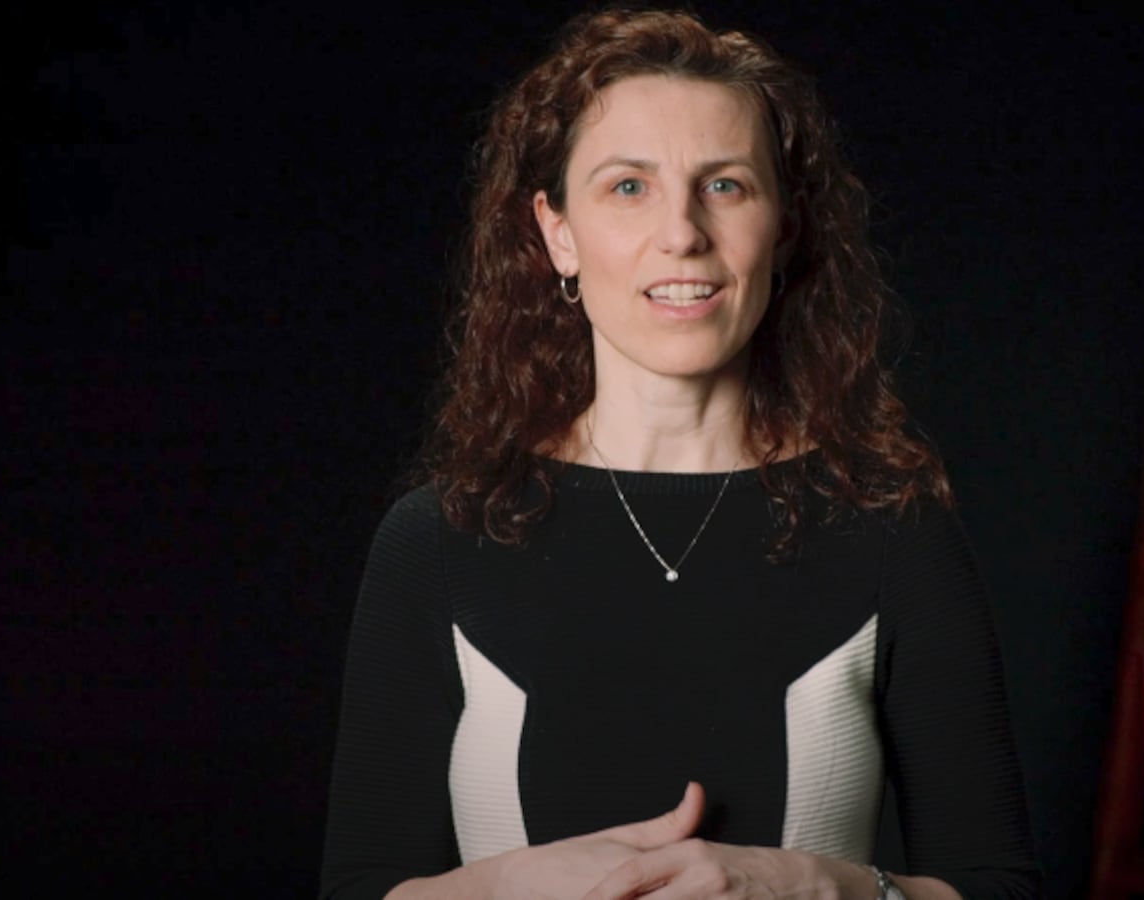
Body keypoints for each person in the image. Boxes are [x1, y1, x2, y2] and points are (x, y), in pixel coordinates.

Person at [320, 8, 1039, 899]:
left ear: (782, 227)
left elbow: (999, 884)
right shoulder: (432, 541)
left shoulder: (892, 529)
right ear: (557, 232)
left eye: (726, 185)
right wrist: (509, 888)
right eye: (628, 187)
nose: (682, 234)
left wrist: (820, 888)